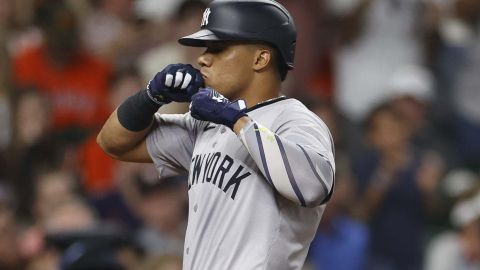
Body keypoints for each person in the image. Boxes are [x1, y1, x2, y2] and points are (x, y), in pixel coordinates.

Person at [97, 0, 336, 269]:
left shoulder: (295, 118)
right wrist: (150, 96)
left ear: (260, 58)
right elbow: (112, 142)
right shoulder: (205, 124)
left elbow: (313, 187)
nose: (202, 58)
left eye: (218, 49)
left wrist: (236, 119)